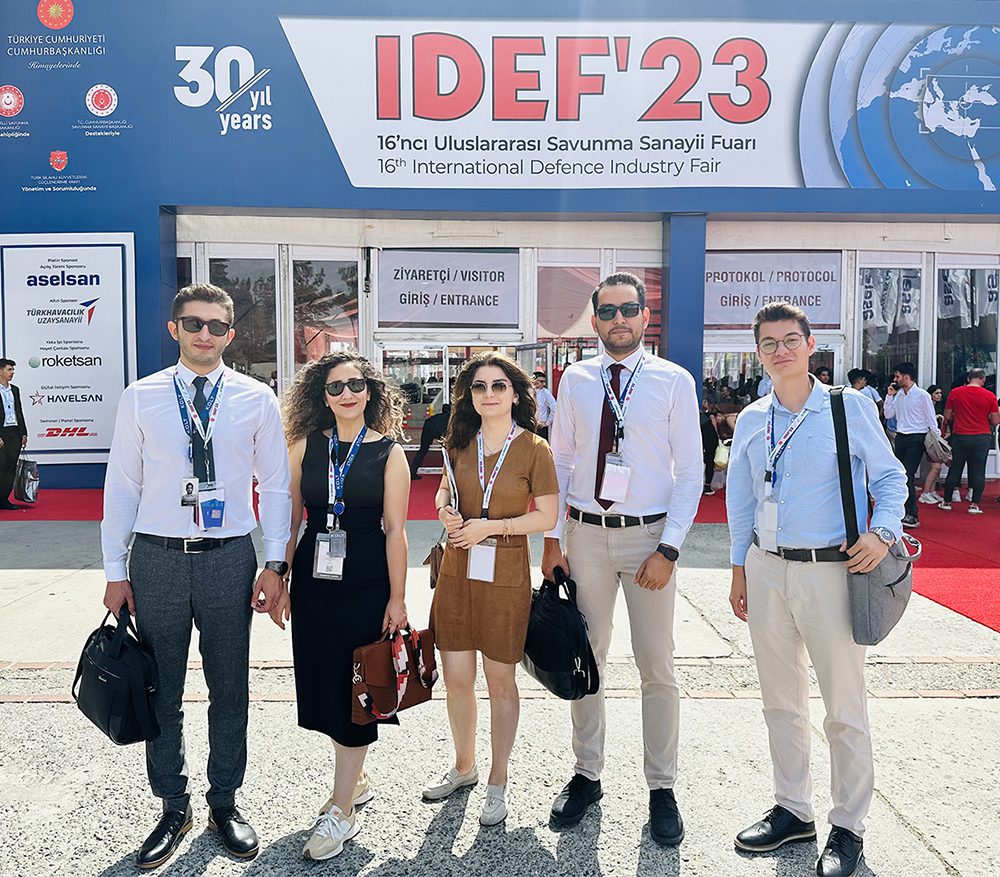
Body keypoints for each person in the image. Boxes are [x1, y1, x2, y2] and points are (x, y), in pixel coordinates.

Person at [101, 283, 291, 869]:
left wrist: (275, 563)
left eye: (216, 326)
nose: (204, 334)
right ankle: (173, 805)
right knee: (162, 688)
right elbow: (122, 485)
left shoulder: (256, 397)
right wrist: (114, 570)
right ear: (174, 329)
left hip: (228, 557)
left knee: (229, 686)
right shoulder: (141, 396)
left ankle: (224, 801)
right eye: (193, 323)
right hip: (155, 558)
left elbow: (276, 486)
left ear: (230, 335)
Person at [726, 301, 906, 877]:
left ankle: (848, 825)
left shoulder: (846, 406)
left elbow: (890, 476)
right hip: (767, 567)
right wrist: (739, 567)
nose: (780, 350)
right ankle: (793, 809)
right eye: (769, 343)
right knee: (780, 700)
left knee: (843, 708)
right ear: (758, 352)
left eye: (790, 340)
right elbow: (741, 500)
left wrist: (883, 531)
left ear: (810, 345)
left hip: (832, 570)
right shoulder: (753, 418)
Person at [541, 272, 702, 846]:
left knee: (657, 665)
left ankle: (662, 786)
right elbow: (560, 462)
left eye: (629, 309)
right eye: (607, 312)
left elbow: (691, 472)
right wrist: (552, 538)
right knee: (587, 657)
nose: (618, 320)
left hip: (648, 539)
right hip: (586, 535)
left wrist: (669, 547)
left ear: (645, 316)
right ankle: (588, 774)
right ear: (594, 319)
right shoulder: (576, 379)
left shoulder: (674, 381)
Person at [271, 352, 410, 860]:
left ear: (370, 391)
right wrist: (280, 576)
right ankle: (357, 778)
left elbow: (395, 531)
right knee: (327, 682)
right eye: (335, 387)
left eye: (356, 384)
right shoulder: (304, 447)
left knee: (357, 689)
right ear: (322, 396)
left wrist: (398, 598)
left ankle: (342, 808)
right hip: (314, 583)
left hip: (367, 584)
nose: (347, 394)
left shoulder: (390, 453)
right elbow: (289, 521)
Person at [423, 351, 558, 826]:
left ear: (516, 394)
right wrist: (444, 510)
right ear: (470, 395)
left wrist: (491, 527)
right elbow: (444, 489)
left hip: (505, 574)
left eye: (499, 386)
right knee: (457, 680)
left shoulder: (535, 449)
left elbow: (547, 516)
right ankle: (464, 767)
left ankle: (497, 781)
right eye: (479, 386)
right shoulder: (460, 442)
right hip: (457, 571)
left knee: (500, 683)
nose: (489, 394)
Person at [883, 362, 940, 528]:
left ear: (906, 377)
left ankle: (912, 514)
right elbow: (888, 414)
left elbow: (931, 419)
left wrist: (937, 441)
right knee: (899, 475)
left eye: (897, 376)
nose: (895, 379)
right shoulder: (898, 395)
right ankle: (903, 511)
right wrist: (889, 396)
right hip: (901, 437)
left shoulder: (922, 395)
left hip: (917, 438)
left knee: (908, 474)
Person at [939, 368, 1000, 514]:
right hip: (981, 436)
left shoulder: (955, 393)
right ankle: (974, 504)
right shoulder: (989, 395)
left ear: (968, 378)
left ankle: (947, 501)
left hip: (960, 435)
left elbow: (947, 416)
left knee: (955, 468)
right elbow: (995, 421)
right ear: (982, 379)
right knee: (979, 470)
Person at [0, 358, 28, 511]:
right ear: (0, 371)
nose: (12, 373)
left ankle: (3, 499)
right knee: (1, 466)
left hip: (14, 432)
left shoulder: (15, 390)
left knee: (10, 468)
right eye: (9, 369)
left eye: (13, 370)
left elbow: (19, 411)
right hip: (1, 432)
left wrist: (23, 433)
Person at [917, 385, 947, 505]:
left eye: (940, 393)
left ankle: (931, 491)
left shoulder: (938, 407)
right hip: (929, 439)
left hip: (936, 438)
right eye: (936, 393)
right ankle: (925, 493)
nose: (939, 395)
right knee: (936, 467)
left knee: (937, 467)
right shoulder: (927, 406)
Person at [410, 400, 451, 480]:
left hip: (428, 425)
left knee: (422, 450)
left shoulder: (437, 417)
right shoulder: (450, 418)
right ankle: (448, 473)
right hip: (439, 430)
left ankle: (412, 472)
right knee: (449, 450)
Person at [532, 371, 557, 441]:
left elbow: (554, 407)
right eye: (541, 381)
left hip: (540, 427)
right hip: (530, 426)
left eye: (544, 382)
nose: (544, 384)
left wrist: (547, 422)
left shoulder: (545, 392)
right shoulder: (528, 391)